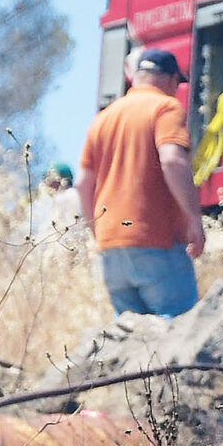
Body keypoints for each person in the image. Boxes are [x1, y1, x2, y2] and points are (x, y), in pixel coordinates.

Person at [78, 47, 207, 317]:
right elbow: (172, 160)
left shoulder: (103, 118)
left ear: (135, 77)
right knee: (176, 333)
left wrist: (98, 231)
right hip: (156, 241)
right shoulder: (166, 108)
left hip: (111, 246)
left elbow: (82, 183)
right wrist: (194, 217)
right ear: (172, 80)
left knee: (132, 343)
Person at [29, 163, 81, 241]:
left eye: (48, 178)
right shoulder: (76, 195)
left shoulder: (65, 197)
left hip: (68, 243)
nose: (46, 182)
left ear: (59, 179)